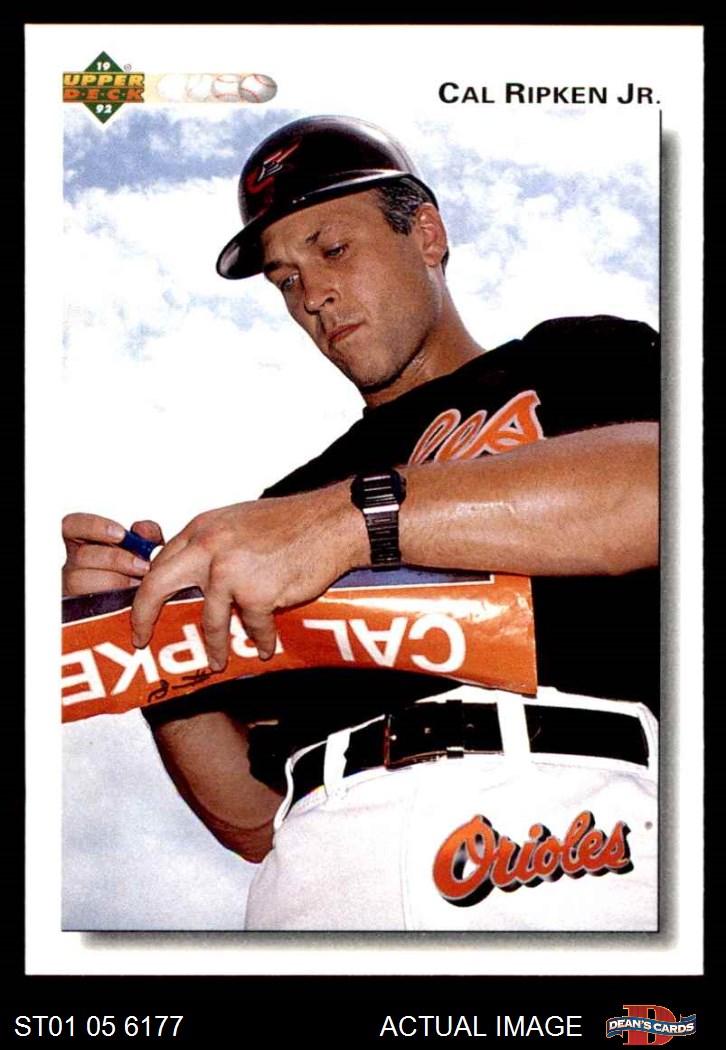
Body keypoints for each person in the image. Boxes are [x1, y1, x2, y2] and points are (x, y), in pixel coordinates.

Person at [62, 115, 660, 931]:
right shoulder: (282, 509)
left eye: (333, 249)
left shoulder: (577, 358)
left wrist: (347, 523)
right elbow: (251, 819)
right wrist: (146, 642)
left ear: (427, 234)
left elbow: (657, 490)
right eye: (285, 280)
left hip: (572, 822)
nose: (312, 296)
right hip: (323, 859)